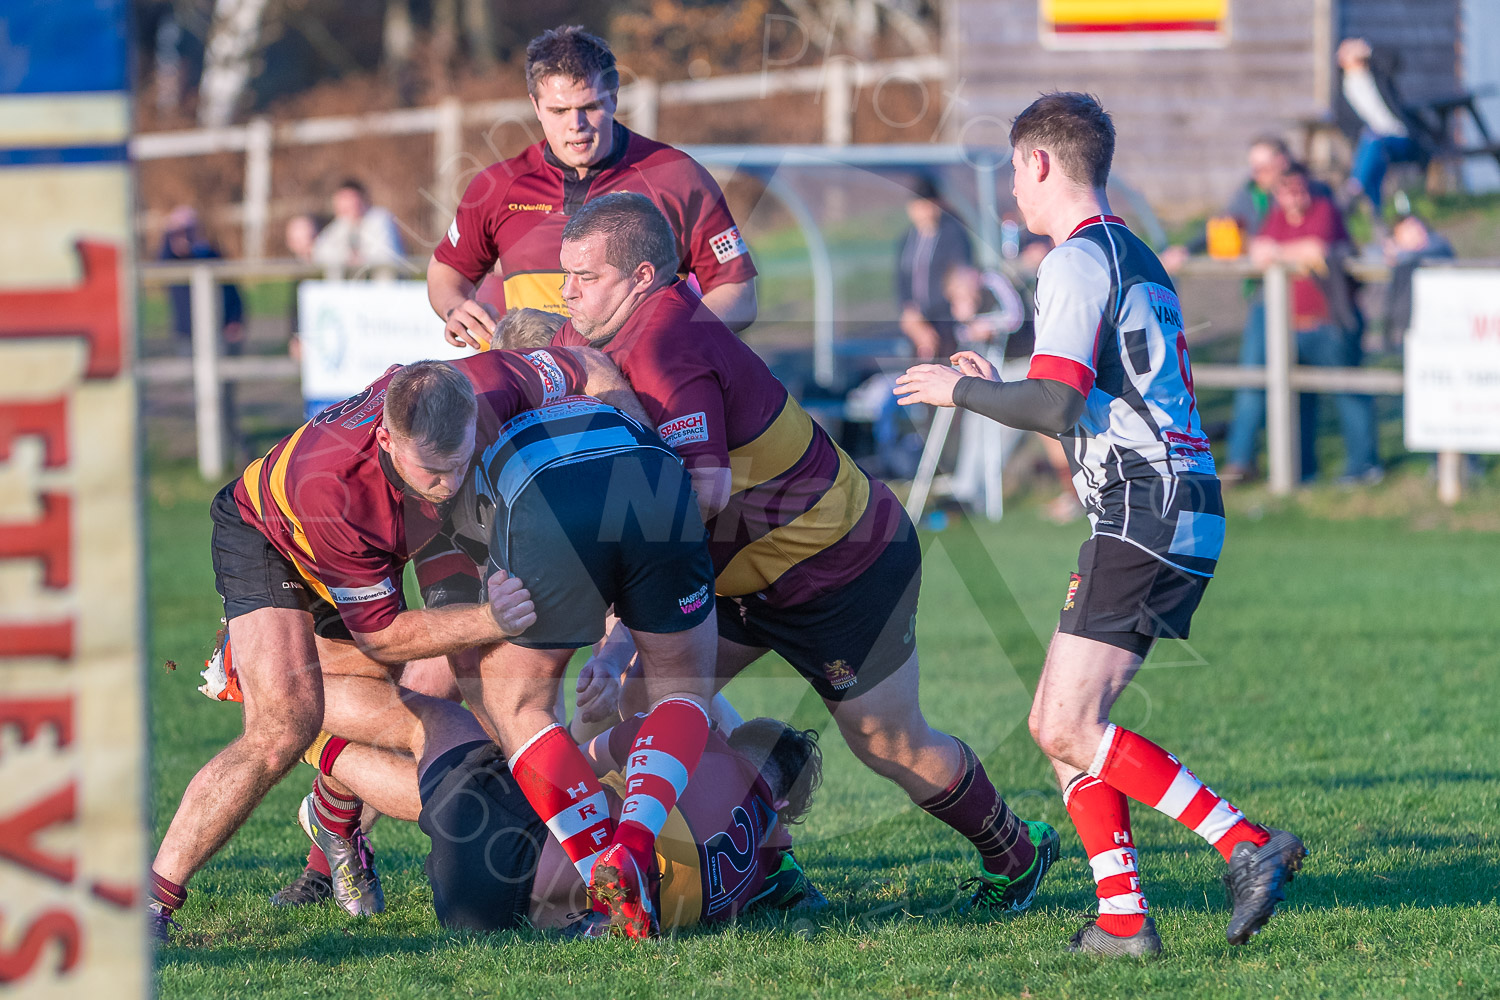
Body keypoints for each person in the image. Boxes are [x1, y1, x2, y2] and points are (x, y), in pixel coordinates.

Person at [551, 191, 1059, 916]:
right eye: (564, 276)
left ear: (640, 277)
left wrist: (617, 617)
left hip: (838, 568)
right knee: (653, 699)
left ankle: (1016, 850)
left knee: (889, 744)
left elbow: (700, 494)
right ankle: (765, 861)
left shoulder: (665, 345)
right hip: (744, 577)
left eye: (586, 276)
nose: (568, 292)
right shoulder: (613, 337)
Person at [895, 92, 1305, 957]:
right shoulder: (1131, 252)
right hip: (1167, 501)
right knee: (1059, 722)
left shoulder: (1075, 260)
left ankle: (1245, 843)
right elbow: (1089, 396)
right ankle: (1122, 919)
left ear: (1040, 163)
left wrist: (957, 390)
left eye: (1014, 170)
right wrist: (995, 383)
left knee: (1065, 725)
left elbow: (1054, 404)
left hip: (1144, 506)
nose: (1012, 189)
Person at [146, 347, 635, 938]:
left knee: (456, 727)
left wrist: (645, 453)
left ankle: (332, 804)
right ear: (386, 440)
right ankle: (152, 902)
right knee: (284, 727)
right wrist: (492, 619)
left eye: (460, 463)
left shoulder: (485, 386)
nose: (449, 484)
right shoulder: (335, 491)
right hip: (271, 538)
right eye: (433, 471)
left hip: (387, 541)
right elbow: (381, 636)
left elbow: (589, 365)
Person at [445, 388, 724, 938]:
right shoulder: (601, 397)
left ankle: (603, 872)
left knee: (520, 707)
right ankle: (633, 846)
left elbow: (464, 605)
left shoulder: (478, 422)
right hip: (655, 478)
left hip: (545, 494)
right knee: (682, 689)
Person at [429, 25, 757, 348]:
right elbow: (446, 269)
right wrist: (454, 306)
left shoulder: (674, 174)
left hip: (638, 380)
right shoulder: (499, 186)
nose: (576, 125)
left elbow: (738, 291)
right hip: (533, 377)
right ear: (536, 106)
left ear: (613, 98)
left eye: (589, 107)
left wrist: (673, 337)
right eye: (559, 110)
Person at [1249, 164, 1379, 483]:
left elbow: (1316, 248)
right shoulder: (1276, 217)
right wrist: (1285, 252)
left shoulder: (1325, 209)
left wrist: (1277, 251)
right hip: (1291, 327)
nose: (1294, 197)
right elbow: (1256, 251)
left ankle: (1364, 467)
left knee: (1349, 393)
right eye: (1286, 191)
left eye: (1299, 189)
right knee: (1297, 400)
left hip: (1330, 324)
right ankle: (1303, 471)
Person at [1335, 38, 1427, 220]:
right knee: (1375, 152)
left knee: (1373, 145)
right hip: (1373, 144)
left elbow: (1395, 60)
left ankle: (1354, 190)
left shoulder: (1379, 76)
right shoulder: (1342, 94)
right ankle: (1376, 216)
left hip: (1402, 139)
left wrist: (1368, 50)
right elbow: (1348, 129)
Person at [895, 175, 974, 360]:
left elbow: (959, 275)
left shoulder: (953, 235)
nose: (923, 211)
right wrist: (910, 312)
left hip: (946, 321)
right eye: (918, 206)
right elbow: (901, 278)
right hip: (918, 320)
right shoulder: (907, 239)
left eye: (927, 205)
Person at [1381, 212, 1454, 345]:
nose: (1417, 231)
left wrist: (1400, 254)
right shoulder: (1400, 262)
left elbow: (1441, 250)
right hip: (1406, 322)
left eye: (1417, 226)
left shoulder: (1437, 248)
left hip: (1438, 320)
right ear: (1397, 238)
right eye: (1409, 230)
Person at [311, 178, 406, 277]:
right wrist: (346, 257)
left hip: (384, 282)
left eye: (350, 200)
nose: (346, 205)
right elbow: (320, 252)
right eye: (342, 201)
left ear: (361, 199)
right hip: (351, 283)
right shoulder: (340, 225)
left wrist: (362, 259)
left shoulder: (380, 219)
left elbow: (388, 255)